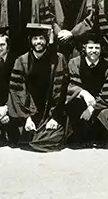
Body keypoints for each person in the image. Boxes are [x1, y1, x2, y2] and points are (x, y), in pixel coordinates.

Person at [8, 23, 69, 152]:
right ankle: (34, 137)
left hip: (49, 111)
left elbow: (63, 89)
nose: (38, 42)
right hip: (29, 110)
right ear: (30, 41)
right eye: (35, 39)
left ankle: (37, 138)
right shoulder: (21, 61)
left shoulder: (58, 59)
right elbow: (17, 91)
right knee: (22, 133)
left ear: (47, 40)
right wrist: (26, 118)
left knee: (56, 134)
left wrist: (55, 117)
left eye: (41, 38)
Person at [65, 36, 108, 147]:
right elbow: (70, 85)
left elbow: (107, 94)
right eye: (90, 47)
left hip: (100, 104)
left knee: (103, 116)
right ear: (84, 48)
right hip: (79, 100)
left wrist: (91, 108)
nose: (94, 51)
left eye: (97, 48)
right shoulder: (74, 63)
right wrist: (83, 92)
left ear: (101, 49)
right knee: (75, 106)